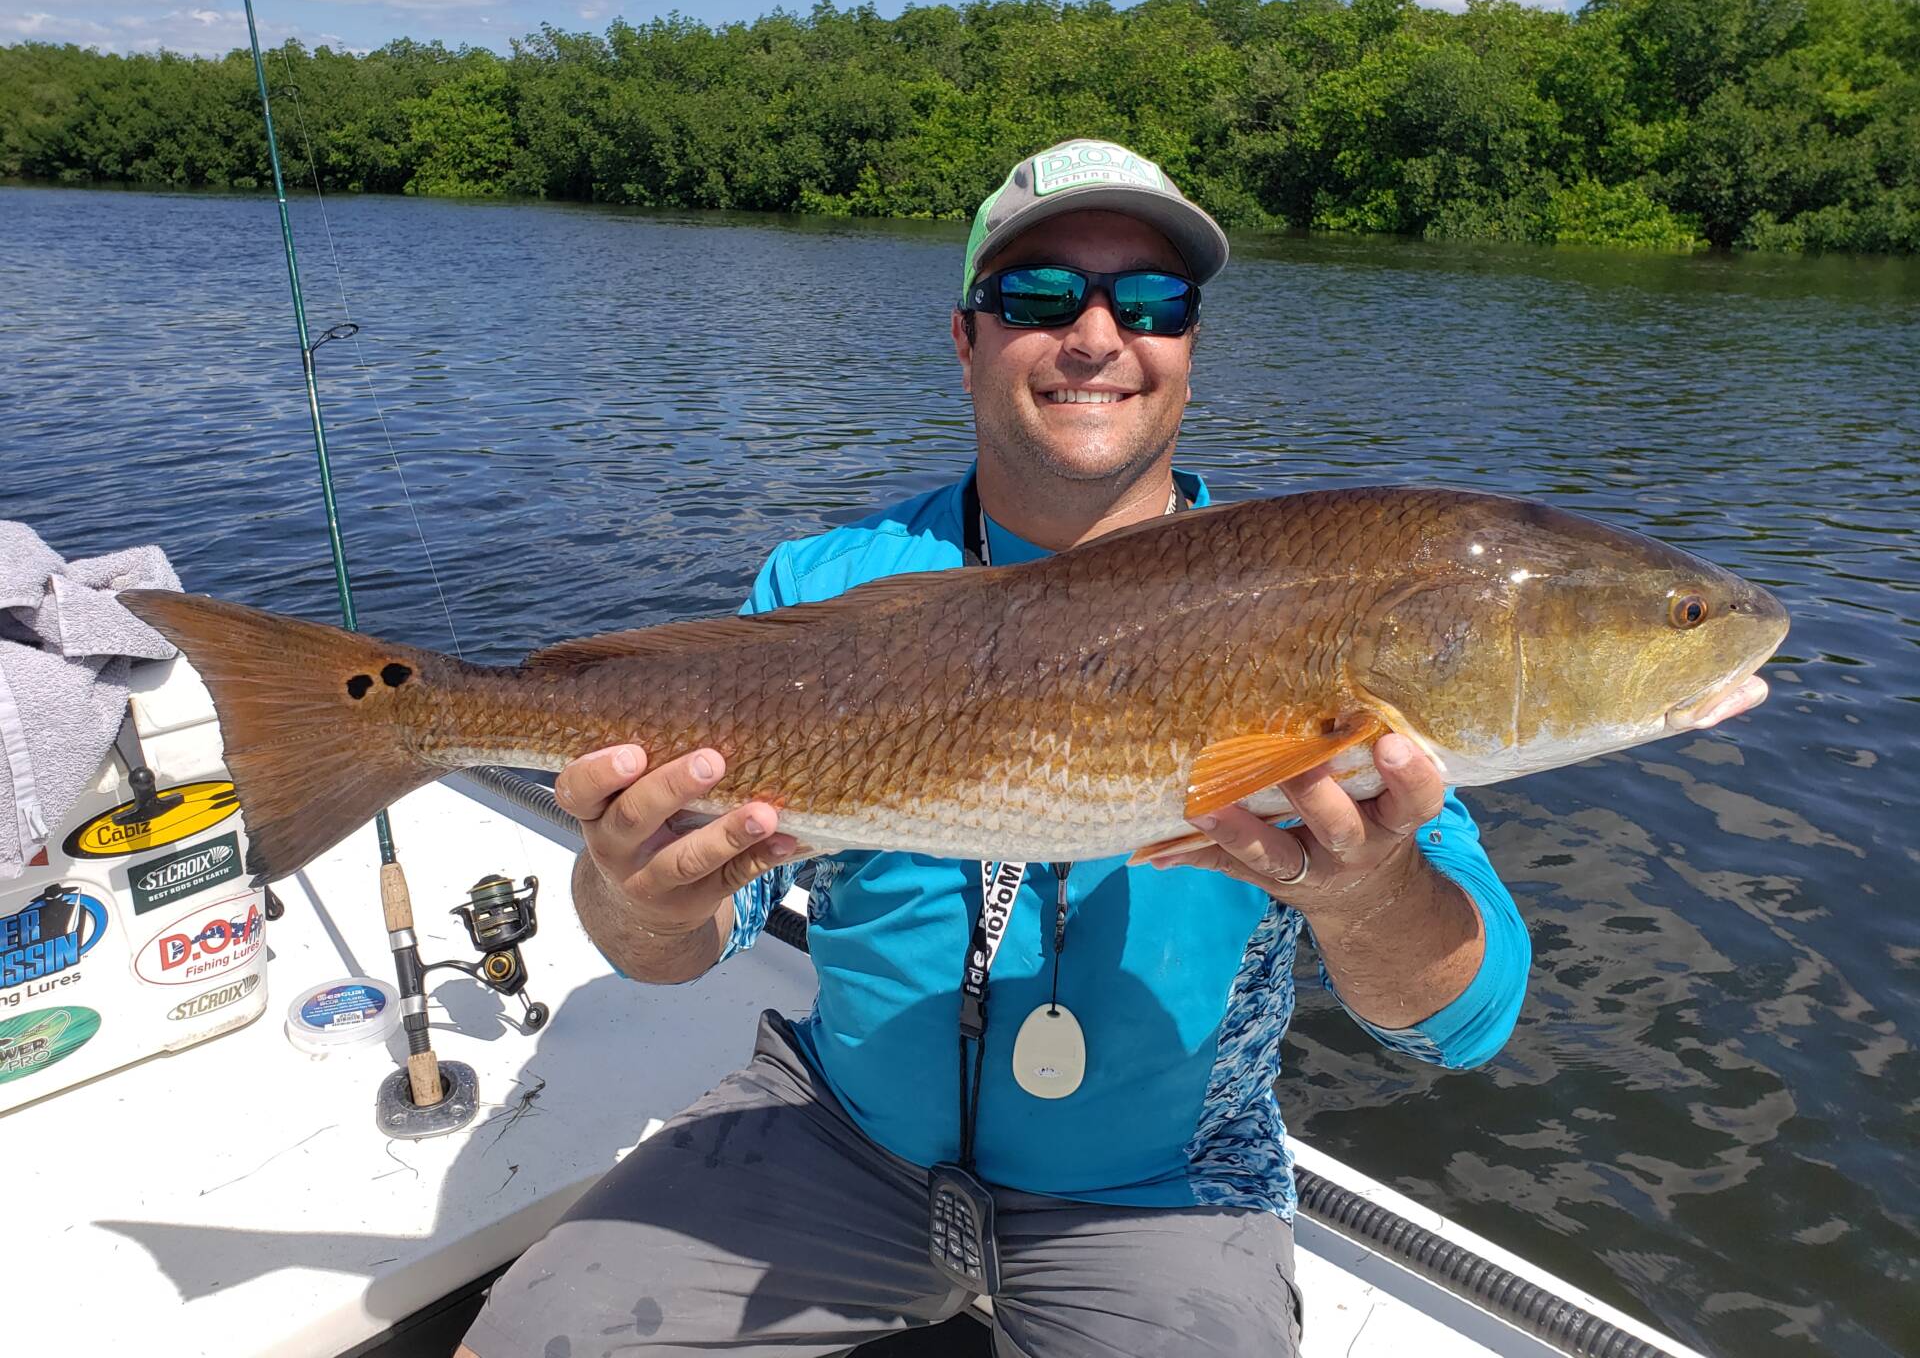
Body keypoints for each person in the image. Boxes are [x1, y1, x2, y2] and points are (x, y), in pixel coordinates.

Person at [459, 139, 1762, 1358]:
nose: (1098, 338)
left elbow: (1462, 1026)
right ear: (966, 340)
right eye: (1039, 293)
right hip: (837, 1135)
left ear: (1190, 349)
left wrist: (1366, 891)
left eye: (1150, 302)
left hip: (1168, 1197)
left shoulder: (1323, 593)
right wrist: (626, 888)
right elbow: (688, 947)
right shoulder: (822, 586)